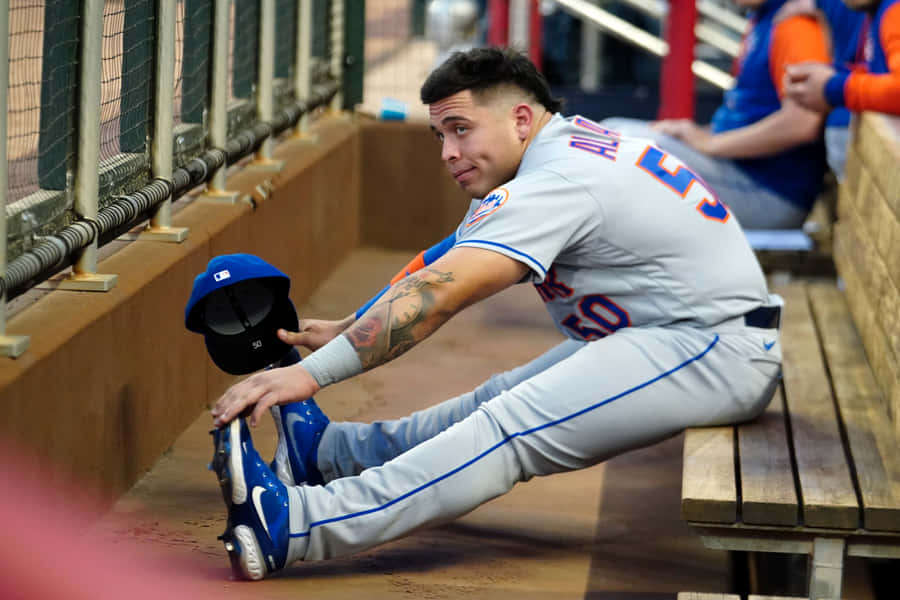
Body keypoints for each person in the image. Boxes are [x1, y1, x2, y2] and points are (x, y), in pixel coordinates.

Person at [207, 47, 784, 582]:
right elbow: (444, 258)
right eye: (439, 134)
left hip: (712, 349)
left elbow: (439, 293)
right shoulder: (564, 148)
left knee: (508, 430)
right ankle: (328, 456)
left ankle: (297, 524)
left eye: (461, 129)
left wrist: (308, 374)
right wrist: (348, 325)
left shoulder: (554, 181)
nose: (448, 153)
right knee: (494, 398)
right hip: (677, 332)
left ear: (521, 120)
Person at [599, 0, 831, 230]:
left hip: (768, 194)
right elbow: (749, 113)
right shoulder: (763, 18)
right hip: (738, 173)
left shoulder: (794, 24)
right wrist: (697, 134)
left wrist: (709, 143)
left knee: (620, 149)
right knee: (607, 133)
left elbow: (804, 123)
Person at [784, 0, 900, 174]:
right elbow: (881, 75)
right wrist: (829, 77)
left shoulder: (895, 10)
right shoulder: (878, 12)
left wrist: (834, 87)